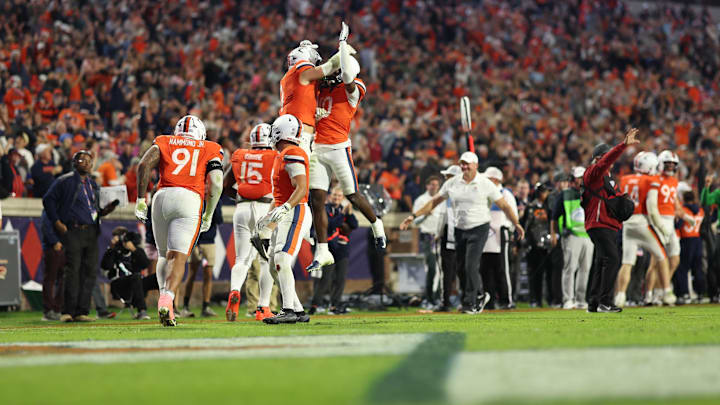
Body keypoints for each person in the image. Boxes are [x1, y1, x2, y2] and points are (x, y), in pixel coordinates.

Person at [400, 152, 525, 314]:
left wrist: (516, 223)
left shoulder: (485, 183)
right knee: (460, 269)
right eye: (462, 163)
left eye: (467, 163)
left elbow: (504, 206)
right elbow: (433, 203)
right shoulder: (452, 183)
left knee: (471, 265)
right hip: (460, 229)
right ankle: (480, 295)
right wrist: (413, 216)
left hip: (479, 227)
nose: (464, 166)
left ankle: (471, 302)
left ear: (475, 165)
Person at [308, 22, 386, 272]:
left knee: (353, 194)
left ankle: (377, 226)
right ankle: (321, 250)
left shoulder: (354, 87)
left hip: (338, 147)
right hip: (317, 148)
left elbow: (349, 79)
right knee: (317, 199)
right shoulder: (319, 87)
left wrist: (342, 45)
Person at [134, 115, 224, 327]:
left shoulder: (164, 141)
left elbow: (143, 165)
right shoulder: (209, 147)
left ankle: (165, 304)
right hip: (189, 199)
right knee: (179, 258)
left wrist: (140, 200)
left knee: (164, 255)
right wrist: (209, 213)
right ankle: (167, 298)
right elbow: (217, 183)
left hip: (161, 197)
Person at [42, 150, 118, 322]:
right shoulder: (64, 181)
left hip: (91, 230)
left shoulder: (93, 184)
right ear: (74, 162)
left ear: (92, 165)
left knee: (90, 272)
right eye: (81, 159)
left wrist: (108, 209)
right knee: (72, 271)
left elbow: (96, 210)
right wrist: (56, 222)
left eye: (88, 160)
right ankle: (67, 311)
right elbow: (48, 200)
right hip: (73, 230)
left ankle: (82, 312)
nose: (85, 162)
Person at [255, 114, 313, 324]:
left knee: (281, 259)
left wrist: (287, 207)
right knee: (273, 265)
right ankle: (297, 310)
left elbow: (302, 188)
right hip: (286, 210)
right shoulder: (283, 155)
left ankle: (287, 309)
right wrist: (267, 221)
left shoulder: (293, 153)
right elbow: (279, 197)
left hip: (296, 210)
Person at [223, 123, 277, 322]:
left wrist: (242, 195)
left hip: (242, 208)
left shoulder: (240, 154)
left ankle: (235, 290)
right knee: (266, 261)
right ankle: (263, 307)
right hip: (265, 208)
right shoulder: (275, 156)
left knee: (242, 260)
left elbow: (225, 185)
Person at [582, 128, 639, 313]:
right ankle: (605, 301)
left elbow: (613, 199)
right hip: (599, 224)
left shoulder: (607, 179)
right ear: (598, 158)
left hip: (608, 225)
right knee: (613, 259)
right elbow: (606, 161)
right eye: (605, 157)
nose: (610, 161)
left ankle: (594, 302)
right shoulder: (593, 173)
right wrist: (622, 146)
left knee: (602, 262)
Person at [280, 22, 355, 155]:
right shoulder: (301, 70)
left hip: (289, 130)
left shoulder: (288, 78)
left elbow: (301, 100)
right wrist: (343, 49)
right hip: (298, 133)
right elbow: (330, 67)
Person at [613, 152, 673, 307]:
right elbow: (652, 208)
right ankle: (667, 292)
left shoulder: (625, 179)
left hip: (627, 224)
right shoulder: (650, 180)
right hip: (642, 222)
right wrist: (662, 227)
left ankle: (620, 296)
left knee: (627, 262)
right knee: (661, 256)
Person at [309, 186, 358, 314]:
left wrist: (350, 213)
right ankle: (315, 305)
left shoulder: (344, 209)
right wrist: (342, 216)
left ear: (342, 198)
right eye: (335, 195)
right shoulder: (324, 209)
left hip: (342, 248)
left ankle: (334, 306)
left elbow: (354, 225)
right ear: (330, 196)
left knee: (340, 278)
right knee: (326, 278)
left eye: (339, 196)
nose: (336, 198)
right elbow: (330, 224)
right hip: (328, 247)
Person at [551, 167, 593, 309]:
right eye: (578, 178)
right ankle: (568, 299)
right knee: (570, 268)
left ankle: (581, 299)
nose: (580, 180)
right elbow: (554, 217)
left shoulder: (589, 193)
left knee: (585, 269)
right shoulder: (565, 194)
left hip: (587, 235)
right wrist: (554, 233)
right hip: (571, 235)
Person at [481, 167, 518, 309]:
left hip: (500, 233)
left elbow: (513, 213)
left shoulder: (505, 194)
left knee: (502, 268)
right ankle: (489, 301)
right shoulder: (485, 195)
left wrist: (509, 230)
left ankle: (506, 300)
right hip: (486, 234)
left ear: (495, 179)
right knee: (486, 268)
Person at [180, 199, 223, 318]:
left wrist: (213, 206)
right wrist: (196, 242)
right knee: (192, 273)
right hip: (195, 240)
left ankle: (206, 306)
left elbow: (219, 219)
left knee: (208, 274)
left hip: (210, 241)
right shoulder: (195, 198)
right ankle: (185, 306)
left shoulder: (215, 199)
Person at [100, 227, 151, 320]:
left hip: (138, 283)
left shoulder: (136, 250)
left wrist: (134, 250)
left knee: (157, 278)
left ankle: (169, 309)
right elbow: (105, 266)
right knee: (136, 277)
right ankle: (142, 311)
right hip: (120, 285)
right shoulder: (114, 251)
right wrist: (112, 248)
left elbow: (145, 264)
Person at [410, 175, 443, 306]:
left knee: (442, 269)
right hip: (428, 236)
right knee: (432, 267)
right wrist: (425, 215)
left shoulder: (441, 199)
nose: (434, 187)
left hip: (440, 236)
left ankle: (439, 296)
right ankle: (430, 297)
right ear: (427, 186)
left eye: (436, 185)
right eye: (432, 184)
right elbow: (415, 220)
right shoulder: (421, 200)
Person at [436, 165, 461, 312]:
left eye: (448, 176)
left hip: (449, 234)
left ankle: (445, 302)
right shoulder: (466, 192)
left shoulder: (447, 194)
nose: (445, 179)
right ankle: (465, 300)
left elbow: (442, 216)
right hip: (464, 234)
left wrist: (438, 234)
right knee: (462, 271)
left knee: (447, 272)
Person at [523, 183, 553, 307]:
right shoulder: (531, 207)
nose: (547, 194)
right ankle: (534, 299)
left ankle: (546, 299)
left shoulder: (548, 207)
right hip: (534, 245)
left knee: (547, 274)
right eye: (545, 192)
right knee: (534, 274)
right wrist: (527, 242)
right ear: (539, 193)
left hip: (546, 245)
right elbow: (526, 226)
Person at [674, 191, 705, 304]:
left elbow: (678, 225)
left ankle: (684, 293)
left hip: (686, 240)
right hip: (698, 240)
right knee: (697, 268)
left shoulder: (684, 210)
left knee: (682, 268)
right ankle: (700, 293)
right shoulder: (700, 210)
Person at [40, 211, 63, 321]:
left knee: (63, 279)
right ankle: (49, 310)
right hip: (52, 248)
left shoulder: (64, 205)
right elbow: (46, 226)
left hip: (64, 247)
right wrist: (54, 242)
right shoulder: (49, 205)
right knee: (50, 278)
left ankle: (58, 308)